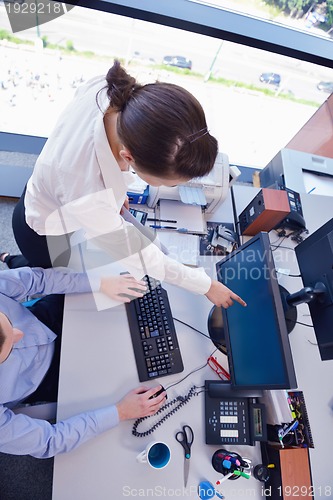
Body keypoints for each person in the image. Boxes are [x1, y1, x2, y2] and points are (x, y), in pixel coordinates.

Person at [9, 59, 246, 310]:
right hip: (44, 233)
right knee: (55, 280)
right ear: (129, 157)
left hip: (49, 191)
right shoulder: (87, 190)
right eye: (169, 183)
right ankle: (13, 261)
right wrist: (206, 285)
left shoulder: (110, 92)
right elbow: (145, 257)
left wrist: (113, 190)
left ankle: (10, 259)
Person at [0, 265, 165, 458]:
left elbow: (40, 280)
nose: (21, 334)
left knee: (131, 293)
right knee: (122, 377)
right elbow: (49, 440)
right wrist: (120, 412)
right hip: (47, 377)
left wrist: (100, 282)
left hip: (45, 318)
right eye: (9, 350)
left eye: (8, 321)